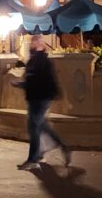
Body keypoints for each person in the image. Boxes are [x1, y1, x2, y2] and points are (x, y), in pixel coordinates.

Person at [15, 34, 71, 170]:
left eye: (36, 42)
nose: (32, 44)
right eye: (32, 41)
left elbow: (45, 80)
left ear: (41, 45)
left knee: (34, 128)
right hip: (34, 98)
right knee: (40, 126)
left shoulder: (43, 60)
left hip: (41, 98)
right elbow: (31, 81)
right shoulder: (32, 60)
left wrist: (56, 94)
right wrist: (21, 84)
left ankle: (33, 159)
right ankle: (59, 147)